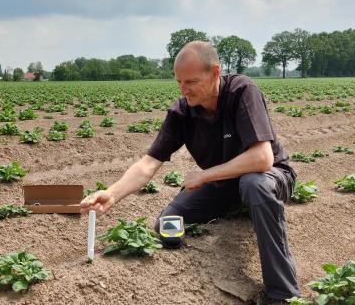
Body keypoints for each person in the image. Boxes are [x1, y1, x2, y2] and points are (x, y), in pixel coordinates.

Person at [80, 41, 300, 304]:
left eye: (191, 82)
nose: (184, 90)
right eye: (179, 83)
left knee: (254, 184)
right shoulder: (181, 112)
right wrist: (112, 194)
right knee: (167, 222)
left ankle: (282, 294)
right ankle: (228, 219)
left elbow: (262, 158)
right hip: (224, 184)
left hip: (271, 177)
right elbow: (148, 164)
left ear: (215, 72)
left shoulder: (242, 91)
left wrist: (204, 175)